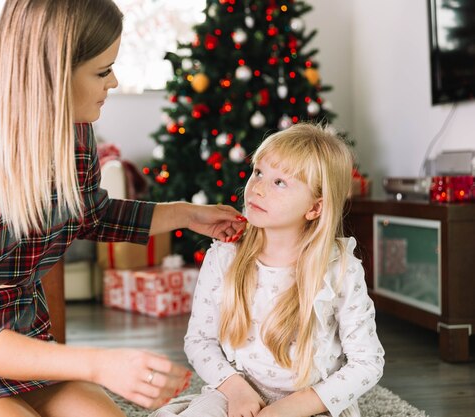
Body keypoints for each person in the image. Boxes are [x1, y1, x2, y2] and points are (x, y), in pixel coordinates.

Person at [0, 1, 247, 416]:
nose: (113, 81)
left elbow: (91, 214)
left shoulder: (75, 134)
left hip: (18, 339)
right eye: (101, 70)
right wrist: (100, 364)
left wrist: (186, 214)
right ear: (52, 75)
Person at [151, 124, 385, 417]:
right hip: (240, 392)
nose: (257, 187)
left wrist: (288, 410)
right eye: (258, 172)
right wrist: (237, 392)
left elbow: (368, 363)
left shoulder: (340, 269)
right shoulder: (224, 257)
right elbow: (199, 341)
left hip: (312, 403)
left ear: (315, 208)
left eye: (280, 182)